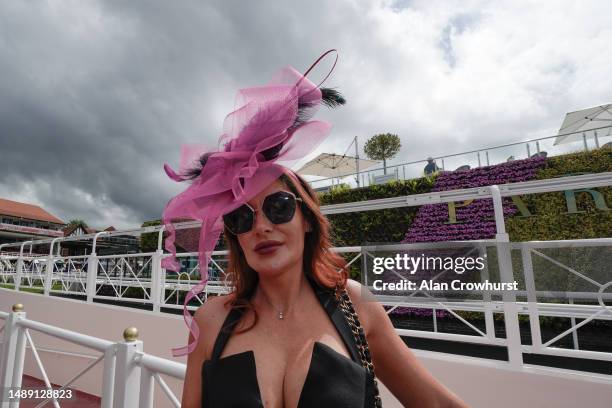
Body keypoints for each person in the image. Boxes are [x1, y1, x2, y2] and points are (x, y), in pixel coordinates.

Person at [162, 51, 469, 407]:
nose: (260, 226)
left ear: (306, 218)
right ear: (236, 237)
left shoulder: (355, 305)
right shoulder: (210, 321)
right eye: (241, 218)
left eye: (278, 208)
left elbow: (435, 402)